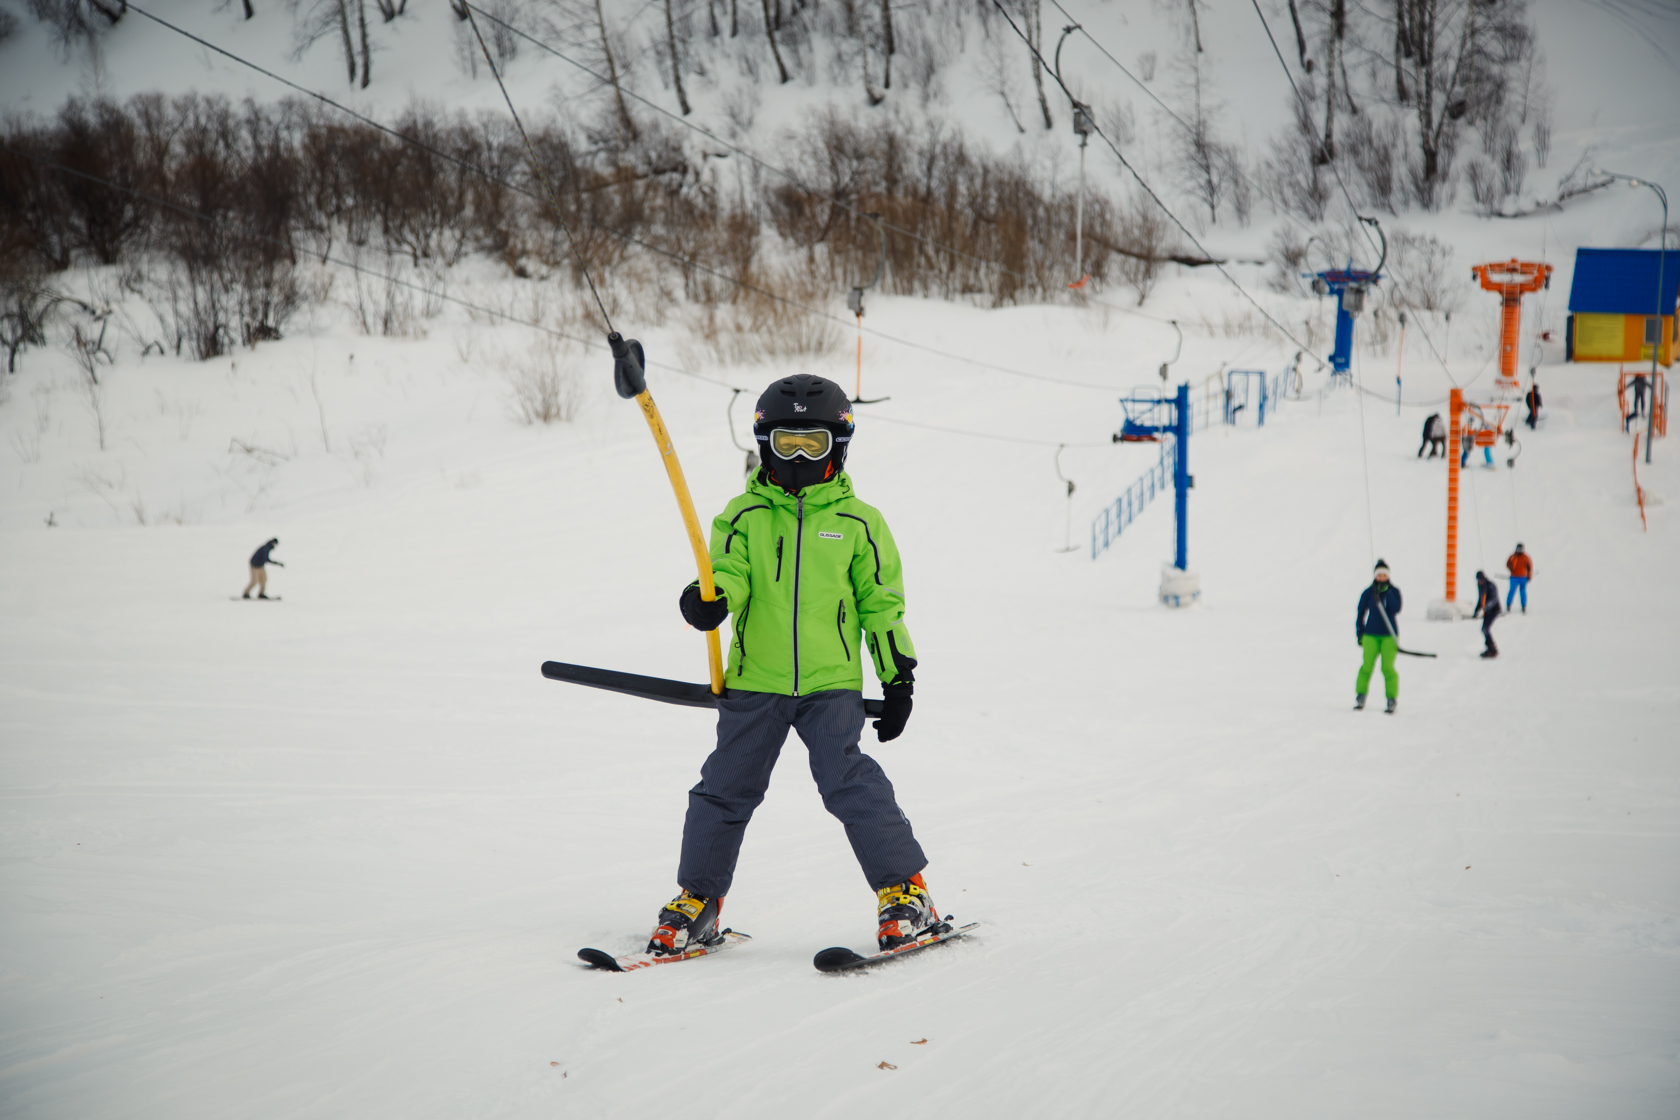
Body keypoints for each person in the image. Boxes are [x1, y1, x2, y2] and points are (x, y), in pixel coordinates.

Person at [647, 374, 936, 958]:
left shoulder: (860, 524)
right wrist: (708, 599)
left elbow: (882, 606)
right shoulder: (744, 515)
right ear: (763, 446)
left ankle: (907, 894)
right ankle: (698, 901)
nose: (799, 457)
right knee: (723, 791)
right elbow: (728, 572)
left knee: (850, 784)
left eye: (813, 444)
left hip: (831, 687)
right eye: (786, 444)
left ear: (839, 447)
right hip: (757, 683)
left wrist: (897, 678)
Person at [1354, 560, 1402, 714]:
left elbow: (1396, 608)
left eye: (1384, 575)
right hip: (1370, 635)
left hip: (1389, 636)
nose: (1381, 577)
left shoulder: (1394, 591)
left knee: (1387, 668)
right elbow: (1361, 612)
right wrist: (1360, 633)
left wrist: (1387, 593)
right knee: (1366, 667)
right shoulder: (1368, 592)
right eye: (1379, 575)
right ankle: (1360, 696)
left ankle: (1391, 698)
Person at [1471, 571, 1501, 657]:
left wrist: (1487, 606)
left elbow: (1494, 599)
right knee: (1484, 629)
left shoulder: (1490, 585)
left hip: (1494, 610)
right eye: (1477, 580)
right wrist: (1476, 611)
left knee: (1485, 628)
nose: (1479, 581)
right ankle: (1490, 648)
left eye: (1480, 579)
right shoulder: (1480, 586)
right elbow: (1480, 600)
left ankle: (1492, 649)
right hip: (1487, 611)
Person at [1505, 543, 1532, 612]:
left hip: (1523, 577)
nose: (1520, 551)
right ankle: (1508, 605)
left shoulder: (1526, 557)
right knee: (1512, 591)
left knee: (1522, 591)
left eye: (1521, 549)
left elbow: (1529, 567)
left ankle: (1523, 606)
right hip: (1514, 577)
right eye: (1518, 549)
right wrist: (1510, 567)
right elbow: (1507, 564)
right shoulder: (1513, 556)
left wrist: (1529, 576)